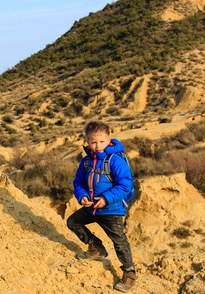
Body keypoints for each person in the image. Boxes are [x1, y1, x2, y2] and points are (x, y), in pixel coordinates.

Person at [67, 121, 137, 293]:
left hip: (111, 209)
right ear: (88, 141)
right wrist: (82, 196)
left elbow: (125, 185)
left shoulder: (116, 160)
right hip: (92, 207)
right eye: (93, 142)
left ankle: (129, 273)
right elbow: (78, 182)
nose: (97, 146)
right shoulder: (86, 161)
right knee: (72, 222)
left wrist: (106, 199)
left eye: (101, 142)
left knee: (119, 242)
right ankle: (96, 246)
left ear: (109, 139)